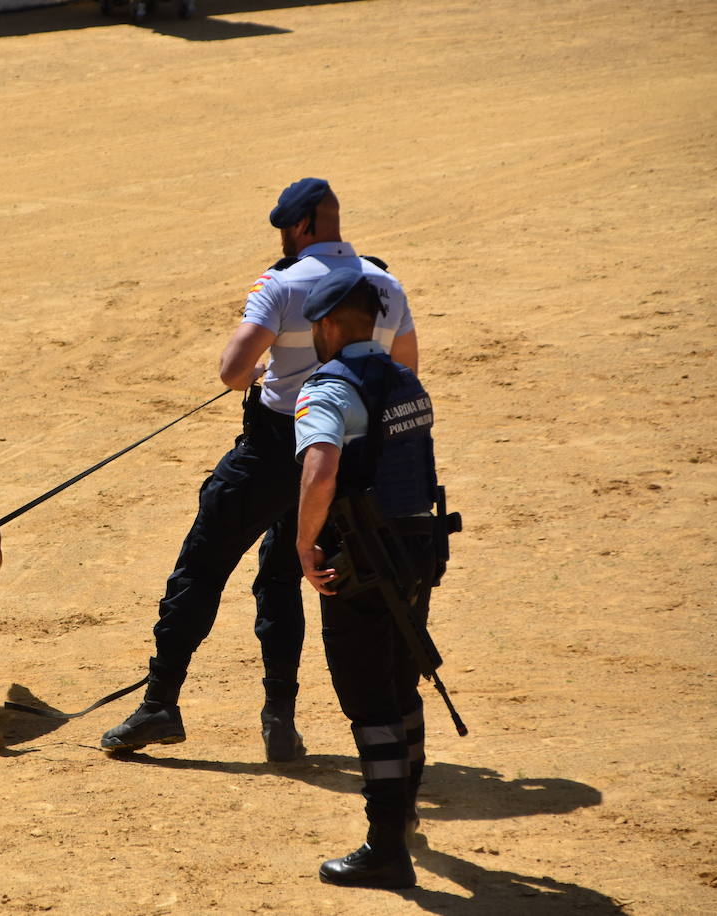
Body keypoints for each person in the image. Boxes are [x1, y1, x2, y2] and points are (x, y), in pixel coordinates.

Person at [101, 178, 417, 758]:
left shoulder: (282, 282)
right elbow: (405, 371)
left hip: (273, 448)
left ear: (300, 227)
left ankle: (160, 703)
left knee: (201, 568)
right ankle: (280, 721)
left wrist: (261, 376)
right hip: (344, 451)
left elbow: (232, 370)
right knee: (280, 580)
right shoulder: (384, 284)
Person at [292, 267, 442, 888]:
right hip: (416, 552)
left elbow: (322, 470)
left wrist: (304, 543)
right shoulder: (405, 379)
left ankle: (385, 849)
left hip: (359, 560)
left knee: (369, 699)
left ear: (328, 324)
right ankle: (403, 815)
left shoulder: (329, 389)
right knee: (403, 682)